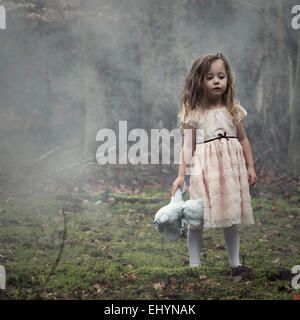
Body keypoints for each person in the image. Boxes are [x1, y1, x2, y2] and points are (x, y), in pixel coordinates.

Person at [172, 53, 256, 277]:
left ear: (228, 79)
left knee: (231, 218)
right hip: (204, 173)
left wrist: (250, 166)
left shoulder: (232, 109)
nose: (217, 81)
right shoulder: (195, 114)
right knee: (196, 218)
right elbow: (187, 148)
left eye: (221, 76)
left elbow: (243, 139)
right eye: (210, 77)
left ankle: (235, 264)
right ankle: (194, 265)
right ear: (199, 81)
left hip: (230, 171)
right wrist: (181, 176)